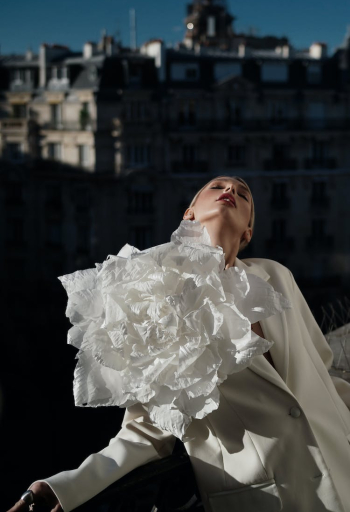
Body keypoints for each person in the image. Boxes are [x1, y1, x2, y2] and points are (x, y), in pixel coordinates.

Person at [9, 175, 350, 512]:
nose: (230, 190)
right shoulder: (151, 301)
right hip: (267, 497)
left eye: (243, 194)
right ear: (189, 213)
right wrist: (66, 488)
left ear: (248, 232)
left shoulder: (276, 277)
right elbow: (147, 430)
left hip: (342, 467)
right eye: (217, 187)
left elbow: (322, 369)